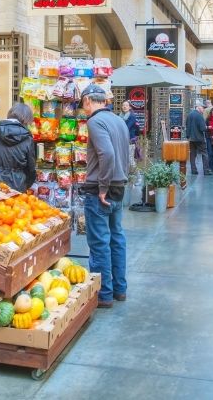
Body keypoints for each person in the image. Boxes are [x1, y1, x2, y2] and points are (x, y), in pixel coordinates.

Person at [80, 84, 130, 307]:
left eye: (83, 105)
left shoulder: (95, 122)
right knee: (116, 237)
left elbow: (107, 154)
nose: (84, 110)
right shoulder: (119, 120)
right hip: (118, 186)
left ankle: (103, 294)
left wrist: (102, 188)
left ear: (89, 101)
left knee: (100, 241)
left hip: (101, 189)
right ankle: (120, 289)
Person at [0, 103, 36, 192]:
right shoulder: (27, 137)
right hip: (18, 184)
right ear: (26, 119)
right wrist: (24, 184)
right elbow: (31, 169)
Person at [186, 102, 210, 175]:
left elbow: (187, 125)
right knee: (204, 153)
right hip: (199, 138)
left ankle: (194, 170)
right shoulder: (199, 116)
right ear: (199, 107)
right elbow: (202, 128)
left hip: (191, 138)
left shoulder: (190, 114)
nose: (203, 109)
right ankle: (206, 170)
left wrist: (188, 136)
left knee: (192, 154)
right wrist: (207, 127)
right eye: (203, 108)